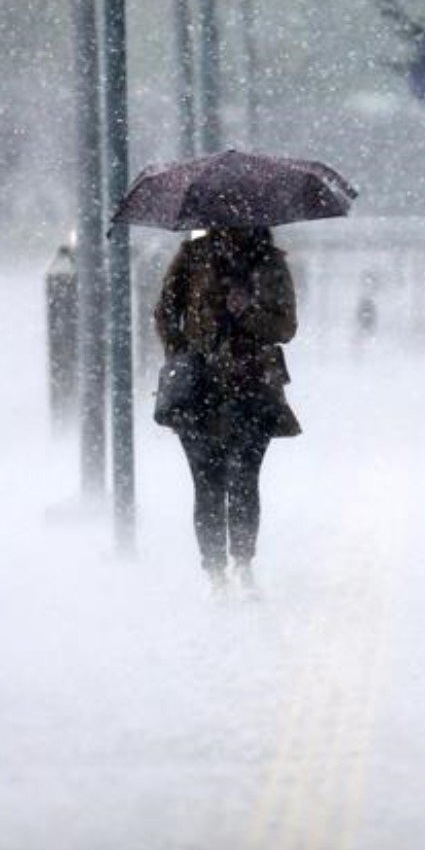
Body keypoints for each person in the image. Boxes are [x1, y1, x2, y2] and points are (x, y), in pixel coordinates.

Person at [154, 226, 300, 595]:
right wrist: (183, 353)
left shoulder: (270, 262)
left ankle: (242, 563)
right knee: (207, 483)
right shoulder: (193, 257)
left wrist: (248, 311)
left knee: (245, 480)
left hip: (252, 386)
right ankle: (215, 571)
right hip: (199, 390)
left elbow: (285, 327)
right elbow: (165, 313)